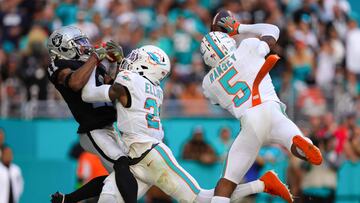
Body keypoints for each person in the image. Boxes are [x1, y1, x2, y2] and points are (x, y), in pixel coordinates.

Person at [81, 44, 293, 202]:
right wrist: (116, 64)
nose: (130, 60)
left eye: (136, 57)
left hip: (150, 155)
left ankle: (263, 183)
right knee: (108, 197)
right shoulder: (152, 88)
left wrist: (95, 62)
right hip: (137, 157)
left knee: (201, 199)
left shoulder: (129, 81)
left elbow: (88, 94)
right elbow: (124, 92)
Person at [200, 15, 323, 203]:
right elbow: (273, 30)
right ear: (228, 42)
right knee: (289, 136)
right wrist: (240, 27)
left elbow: (218, 100)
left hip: (249, 121)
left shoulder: (208, 84)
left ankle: (297, 143)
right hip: (271, 109)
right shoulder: (248, 47)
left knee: (226, 183)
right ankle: (300, 143)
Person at [46, 26, 138, 203]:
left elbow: (115, 89)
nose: (85, 45)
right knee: (121, 163)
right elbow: (75, 83)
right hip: (93, 129)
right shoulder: (58, 65)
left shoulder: (92, 65)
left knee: (123, 175)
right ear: (63, 47)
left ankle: (68, 199)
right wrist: (96, 58)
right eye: (79, 43)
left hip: (109, 127)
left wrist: (119, 63)